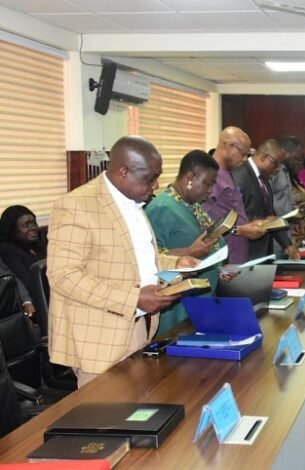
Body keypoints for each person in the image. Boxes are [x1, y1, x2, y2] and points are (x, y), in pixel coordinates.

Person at [47, 136, 197, 387]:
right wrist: (133, 298)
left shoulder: (133, 202)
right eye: (149, 178)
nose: (156, 185)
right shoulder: (76, 205)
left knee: (138, 406)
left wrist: (175, 263)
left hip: (139, 327)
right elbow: (63, 276)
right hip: (99, 340)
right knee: (107, 411)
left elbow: (135, 258)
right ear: (123, 172)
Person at [145, 150, 226, 335]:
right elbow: (151, 259)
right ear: (190, 177)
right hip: (177, 308)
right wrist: (190, 251)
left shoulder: (192, 204)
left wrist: (220, 268)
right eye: (207, 183)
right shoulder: (162, 208)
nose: (210, 191)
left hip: (201, 300)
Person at [202, 127, 266, 264]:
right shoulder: (211, 176)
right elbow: (204, 222)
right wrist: (240, 230)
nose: (245, 159)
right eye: (243, 153)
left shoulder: (228, 172)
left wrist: (250, 224)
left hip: (237, 255)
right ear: (229, 147)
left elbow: (229, 212)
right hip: (224, 258)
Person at [232, 139, 301, 260]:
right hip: (245, 252)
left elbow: (270, 216)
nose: (277, 169)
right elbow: (234, 215)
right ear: (264, 157)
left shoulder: (264, 179)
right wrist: (259, 223)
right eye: (275, 164)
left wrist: (287, 245)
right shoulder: (239, 175)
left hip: (264, 253)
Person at [0, 205, 47, 293]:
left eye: (34, 223)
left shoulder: (35, 243)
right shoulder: (8, 250)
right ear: (12, 230)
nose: (33, 228)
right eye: (26, 225)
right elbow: (29, 283)